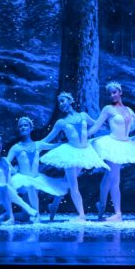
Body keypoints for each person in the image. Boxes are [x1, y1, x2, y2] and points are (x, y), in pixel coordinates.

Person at [88, 82, 135, 221]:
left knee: (108, 176)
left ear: (120, 92)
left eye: (114, 92)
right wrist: (85, 135)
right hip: (112, 144)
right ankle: (117, 212)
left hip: (125, 144)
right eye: (110, 93)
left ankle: (101, 206)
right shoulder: (107, 109)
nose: (112, 95)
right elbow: (96, 126)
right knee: (114, 177)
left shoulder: (128, 110)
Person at [40, 92, 109, 221]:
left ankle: (53, 205)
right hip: (70, 153)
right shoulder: (61, 122)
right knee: (73, 185)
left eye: (63, 101)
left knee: (66, 182)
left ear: (70, 101)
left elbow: (97, 124)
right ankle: (82, 214)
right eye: (59, 102)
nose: (61, 104)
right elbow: (47, 139)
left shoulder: (83, 115)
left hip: (84, 152)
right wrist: (36, 145)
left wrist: (112, 122)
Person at [7, 116, 66, 222]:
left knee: (25, 216)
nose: (23, 127)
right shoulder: (16, 147)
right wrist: (13, 170)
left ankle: (6, 215)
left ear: (31, 128)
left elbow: (55, 146)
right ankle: (37, 216)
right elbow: (6, 162)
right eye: (21, 126)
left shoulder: (38, 145)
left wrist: (69, 143)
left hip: (36, 179)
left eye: (25, 125)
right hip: (22, 181)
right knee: (30, 185)